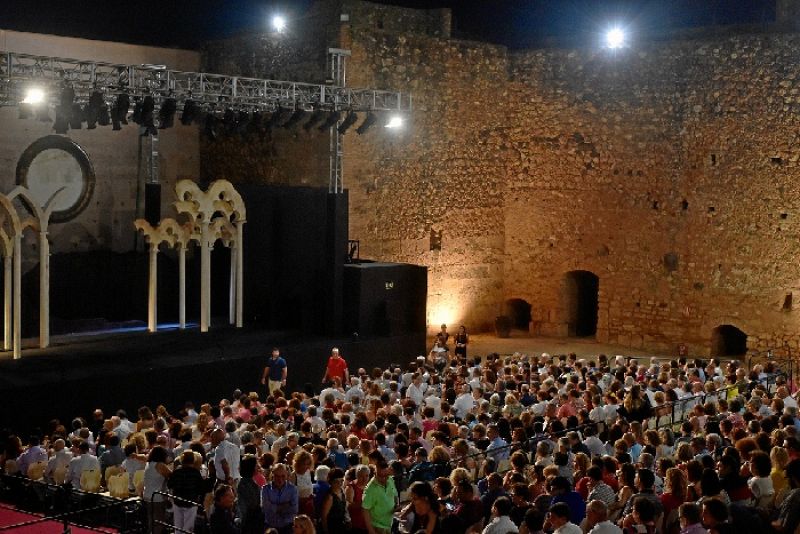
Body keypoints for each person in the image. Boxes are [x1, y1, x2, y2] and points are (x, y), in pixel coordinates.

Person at [167, 450, 210, 534]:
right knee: (188, 527)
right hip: (191, 502)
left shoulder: (177, 472)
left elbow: (170, 484)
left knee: (178, 527)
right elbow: (201, 489)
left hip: (177, 501)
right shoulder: (195, 473)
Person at [362, 460, 398, 534]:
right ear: (375, 473)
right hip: (378, 527)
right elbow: (365, 510)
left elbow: (395, 494)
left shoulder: (390, 479)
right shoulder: (370, 489)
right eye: (381, 476)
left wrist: (396, 505)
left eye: (386, 475)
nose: (384, 479)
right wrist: (371, 531)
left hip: (390, 524)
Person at [262, 463, 299, 534]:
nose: (280, 479)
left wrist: (274, 507)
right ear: (272, 475)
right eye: (277, 476)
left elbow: (294, 510)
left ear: (287, 475)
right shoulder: (265, 489)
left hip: (287, 526)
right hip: (270, 526)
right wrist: (285, 506)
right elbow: (266, 509)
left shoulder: (293, 489)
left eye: (283, 476)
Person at [142, 446, 172, 534]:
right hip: (157, 497)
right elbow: (171, 475)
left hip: (147, 495)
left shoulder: (149, 464)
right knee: (159, 521)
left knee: (151, 520)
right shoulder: (160, 465)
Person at [237, 454, 265, 534]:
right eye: (256, 465)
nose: (258, 467)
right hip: (250, 521)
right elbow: (252, 504)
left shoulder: (248, 482)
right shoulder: (246, 484)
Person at [321, 468, 349, 534]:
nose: (339, 484)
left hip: (341, 526)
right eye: (336, 481)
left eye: (341, 481)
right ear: (331, 481)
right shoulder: (329, 497)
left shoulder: (341, 491)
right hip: (332, 528)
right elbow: (323, 516)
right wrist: (326, 531)